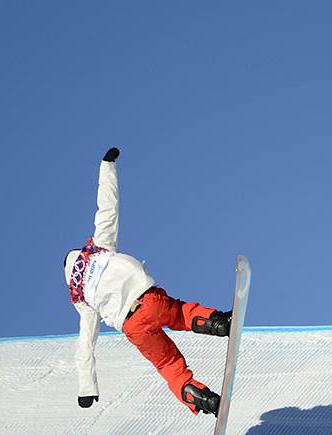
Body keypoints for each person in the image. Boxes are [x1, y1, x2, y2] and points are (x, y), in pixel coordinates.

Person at [63, 147, 230, 416]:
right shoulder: (99, 250)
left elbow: (85, 345)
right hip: (149, 300)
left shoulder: (82, 299)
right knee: (179, 313)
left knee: (168, 364)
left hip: (133, 327)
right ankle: (218, 323)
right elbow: (107, 207)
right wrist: (108, 166)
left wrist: (87, 388)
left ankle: (203, 399)